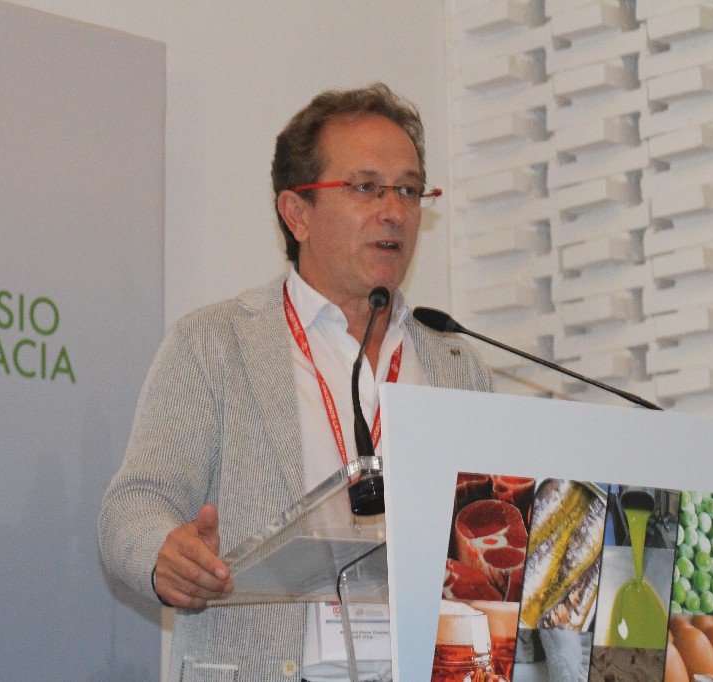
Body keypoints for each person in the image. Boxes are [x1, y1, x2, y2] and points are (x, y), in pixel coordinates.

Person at [98, 83, 493, 681]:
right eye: (367, 187)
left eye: (409, 190)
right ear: (297, 213)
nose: (394, 210)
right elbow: (133, 505)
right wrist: (164, 552)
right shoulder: (215, 344)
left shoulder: (458, 369)